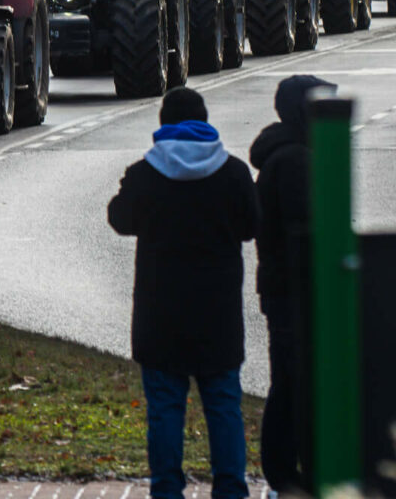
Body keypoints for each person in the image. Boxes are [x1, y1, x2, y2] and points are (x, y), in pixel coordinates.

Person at [108, 86, 258, 499]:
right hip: (219, 313)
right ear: (205, 121)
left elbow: (120, 219)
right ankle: (230, 489)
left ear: (162, 124)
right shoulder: (233, 173)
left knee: (165, 410)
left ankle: (167, 490)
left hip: (161, 314)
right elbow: (251, 225)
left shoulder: (144, 173)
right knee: (224, 406)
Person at [251, 74, 334, 496]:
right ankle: (288, 470)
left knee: (289, 379)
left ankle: (286, 468)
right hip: (295, 290)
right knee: (295, 381)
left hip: (282, 287)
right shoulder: (296, 160)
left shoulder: (286, 154)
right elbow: (307, 228)